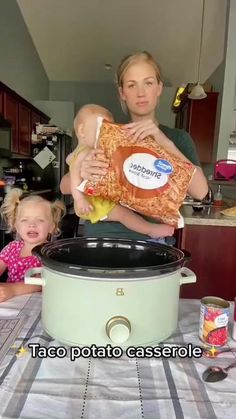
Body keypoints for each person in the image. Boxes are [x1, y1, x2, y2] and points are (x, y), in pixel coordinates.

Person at [60, 51, 208, 240]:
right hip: (102, 237)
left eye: (148, 83)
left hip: (154, 242)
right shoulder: (107, 134)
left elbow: (201, 192)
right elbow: (64, 186)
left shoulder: (177, 139)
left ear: (159, 87)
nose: (141, 92)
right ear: (123, 93)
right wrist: (83, 171)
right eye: (131, 85)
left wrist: (163, 141)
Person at [67, 103, 174, 240]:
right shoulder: (86, 153)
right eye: (103, 130)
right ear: (82, 131)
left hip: (94, 202)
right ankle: (150, 229)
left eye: (110, 131)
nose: (107, 135)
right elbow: (74, 178)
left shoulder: (79, 153)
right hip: (95, 204)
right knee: (124, 215)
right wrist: (80, 199)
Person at [0, 188, 66, 302]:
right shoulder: (11, 248)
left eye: (40, 220)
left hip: (39, 304)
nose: (32, 225)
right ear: (15, 225)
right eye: (25, 220)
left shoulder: (52, 252)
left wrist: (13, 290)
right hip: (10, 303)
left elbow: (44, 281)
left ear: (52, 226)